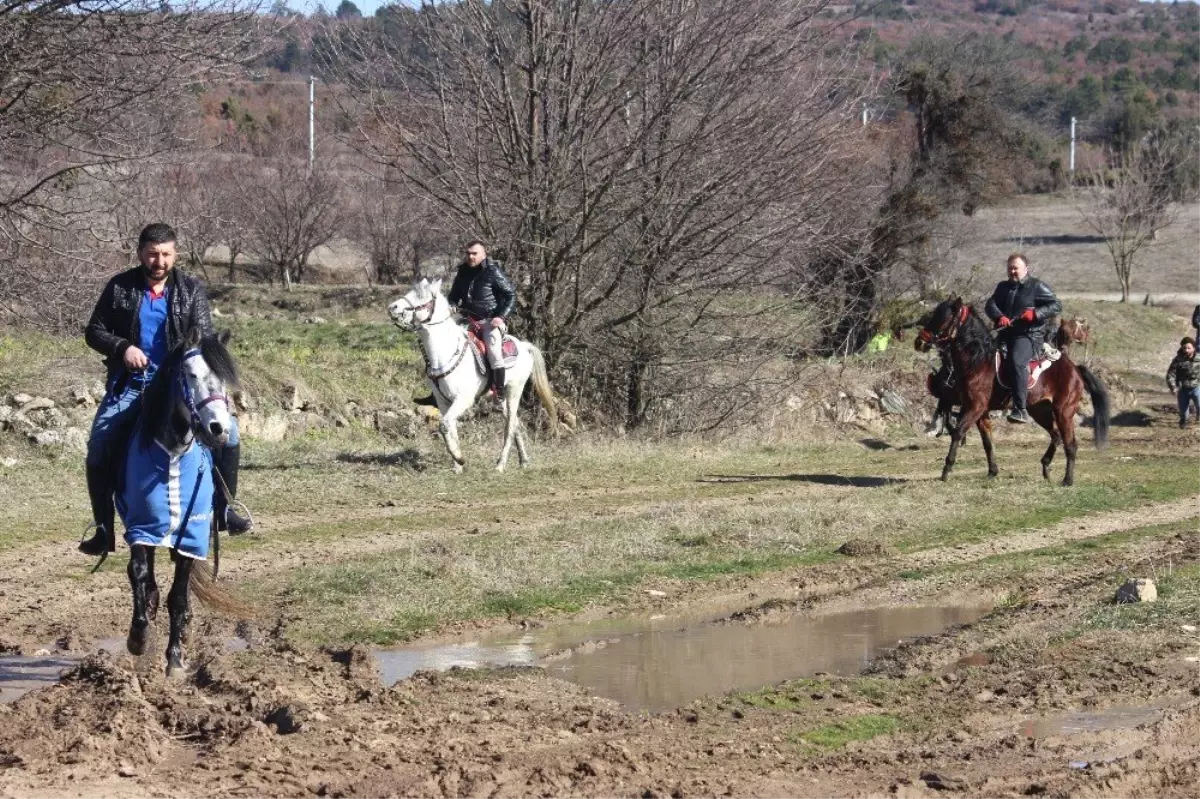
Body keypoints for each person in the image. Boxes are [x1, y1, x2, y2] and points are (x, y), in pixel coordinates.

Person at [78, 223, 250, 556]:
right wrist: (122, 347)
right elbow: (94, 331)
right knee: (99, 442)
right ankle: (103, 529)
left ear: (176, 254)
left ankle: (225, 509)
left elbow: (205, 339)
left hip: (181, 386)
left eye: (166, 254)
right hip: (132, 385)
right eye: (153, 254)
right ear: (141, 252)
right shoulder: (119, 288)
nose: (159, 261)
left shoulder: (191, 290)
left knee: (231, 434)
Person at [984, 253, 1062, 424]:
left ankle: (1020, 409)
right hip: (1005, 333)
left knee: (1016, 361)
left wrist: (1035, 313)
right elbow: (990, 304)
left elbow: (1056, 305)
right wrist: (998, 316)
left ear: (1025, 269)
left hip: (1028, 335)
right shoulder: (1002, 287)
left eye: (1015, 268)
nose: (1012, 271)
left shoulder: (1037, 286)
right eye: (1010, 268)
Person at [446, 240, 516, 394]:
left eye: (474, 253)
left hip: (489, 321)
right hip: (466, 319)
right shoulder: (462, 272)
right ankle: (438, 392)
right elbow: (453, 296)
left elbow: (510, 295)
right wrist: (451, 304)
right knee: (444, 343)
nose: (470, 256)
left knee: (494, 352)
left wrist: (501, 316)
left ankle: (499, 393)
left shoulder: (492, 271)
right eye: (468, 253)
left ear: (484, 254)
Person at [1166, 336, 1200, 429]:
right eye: (1184, 348)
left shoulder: (1198, 358)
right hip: (1182, 389)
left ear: (1194, 348)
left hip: (1196, 387)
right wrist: (1173, 388)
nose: (1186, 350)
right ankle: (1183, 421)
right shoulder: (1178, 359)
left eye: (1189, 348)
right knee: (1184, 413)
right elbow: (1170, 374)